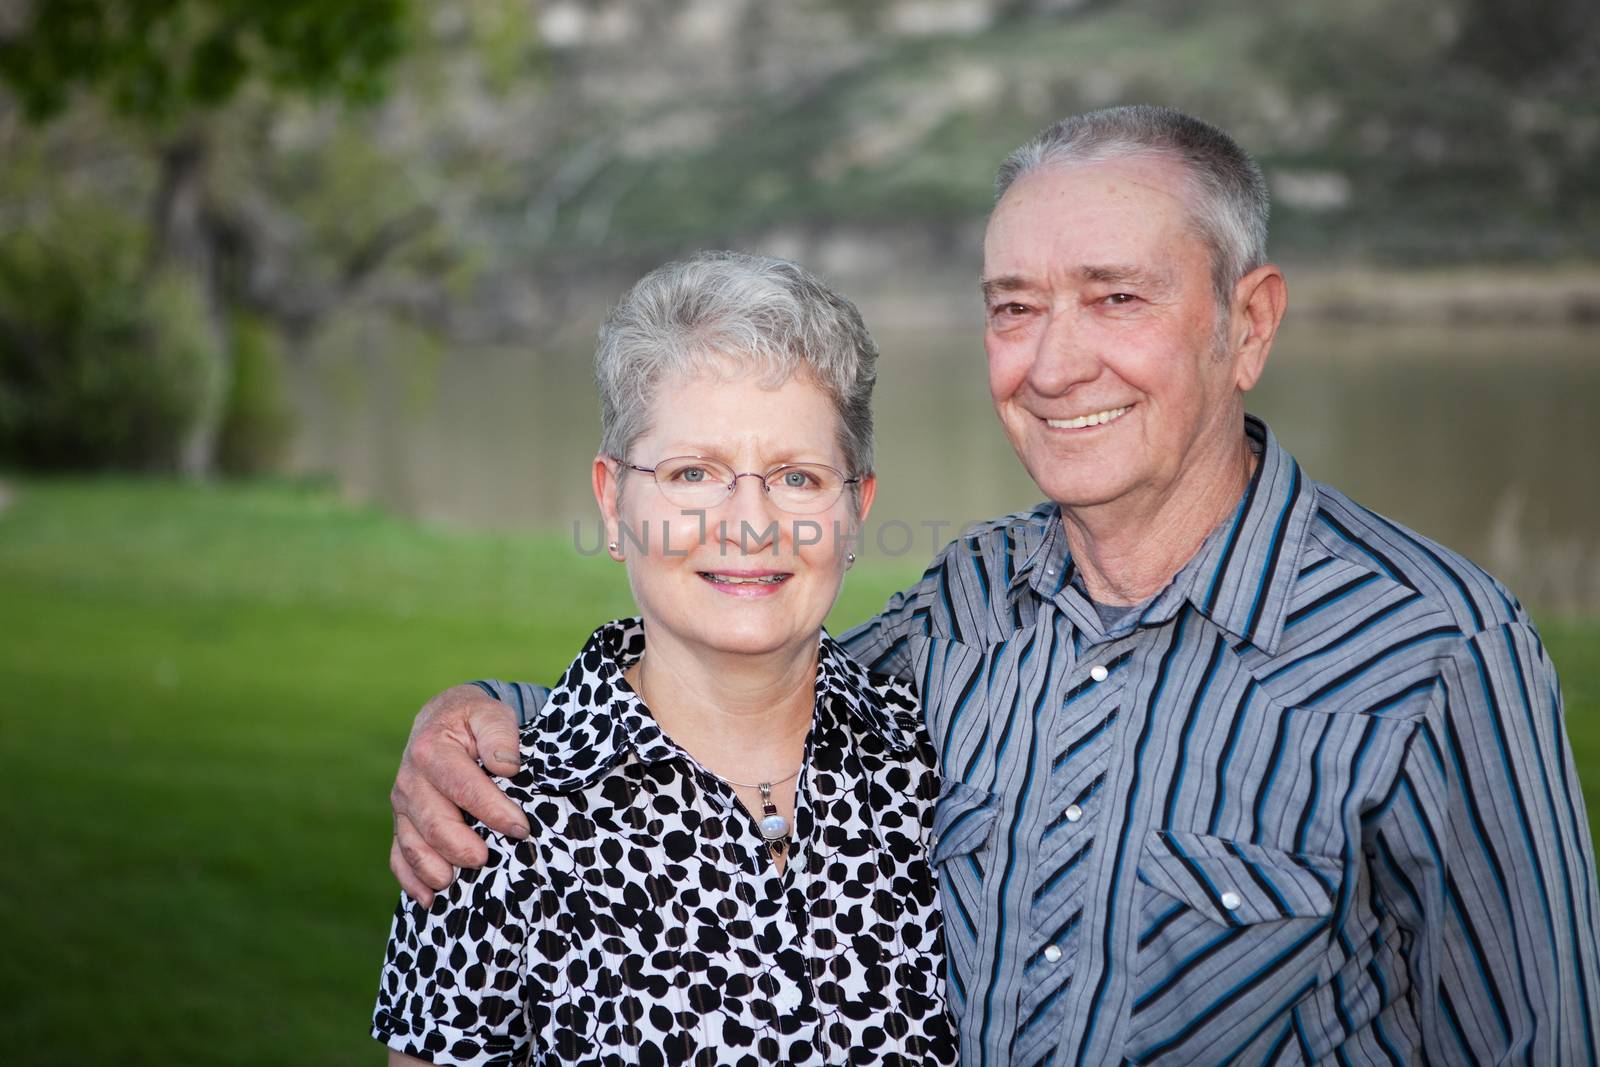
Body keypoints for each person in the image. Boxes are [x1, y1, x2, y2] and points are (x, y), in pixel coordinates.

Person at [388, 107, 1600, 1063]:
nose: (1056, 360)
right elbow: (733, 677)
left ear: (1248, 323)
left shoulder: (1435, 652)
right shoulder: (967, 606)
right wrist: (485, 718)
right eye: (1015, 308)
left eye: (1116, 296)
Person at [372, 251, 957, 1065]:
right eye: (693, 472)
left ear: (856, 508)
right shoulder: (491, 817)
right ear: (614, 502)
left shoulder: (942, 768)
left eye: (795, 475)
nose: (749, 522)